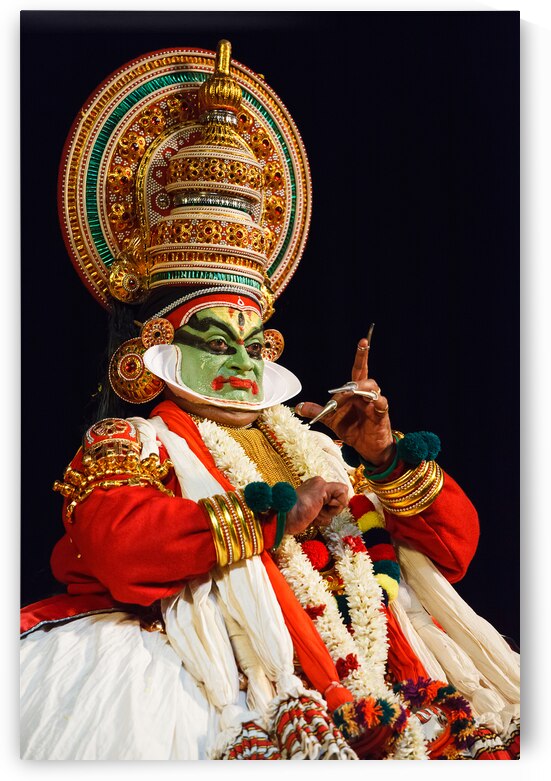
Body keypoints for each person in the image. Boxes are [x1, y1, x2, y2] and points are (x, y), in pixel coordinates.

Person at [20, 40, 520, 761]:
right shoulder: (134, 444)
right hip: (225, 682)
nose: (238, 362)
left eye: (253, 345)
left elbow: (457, 548)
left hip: (390, 690)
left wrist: (380, 455)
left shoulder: (317, 445)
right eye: (214, 339)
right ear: (155, 346)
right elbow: (119, 546)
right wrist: (271, 512)